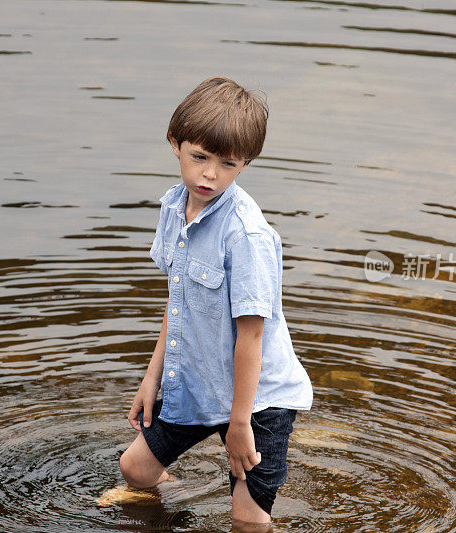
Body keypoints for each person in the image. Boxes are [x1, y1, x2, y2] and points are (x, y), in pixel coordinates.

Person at [118, 76, 313, 527]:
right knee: (137, 469)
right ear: (175, 143)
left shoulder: (245, 234)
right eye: (199, 157)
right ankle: (177, 501)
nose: (209, 175)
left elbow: (252, 336)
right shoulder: (173, 210)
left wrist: (239, 424)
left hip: (258, 398)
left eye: (227, 164)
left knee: (247, 521)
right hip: (200, 381)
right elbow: (178, 300)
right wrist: (153, 379)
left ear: (245, 163)